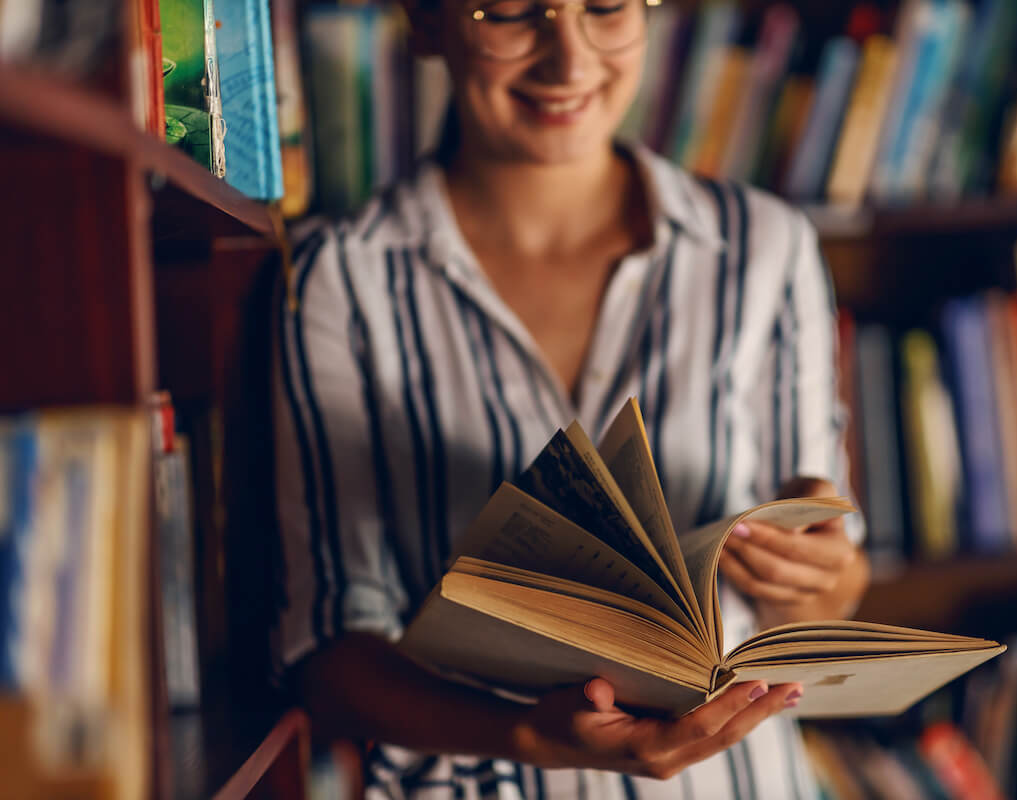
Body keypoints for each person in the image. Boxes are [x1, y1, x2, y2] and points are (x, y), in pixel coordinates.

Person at [271, 0, 870, 796]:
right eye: (513, 11)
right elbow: (331, 651)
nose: (570, 60)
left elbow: (829, 600)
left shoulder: (765, 250)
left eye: (606, 7)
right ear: (424, 22)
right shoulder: (339, 280)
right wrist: (525, 735)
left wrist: (818, 575)